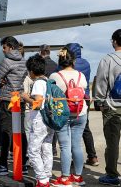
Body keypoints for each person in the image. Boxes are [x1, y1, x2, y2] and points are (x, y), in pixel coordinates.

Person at [0, 36, 28, 175]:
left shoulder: (7, 61)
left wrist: (1, 81)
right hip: (20, 99)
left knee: (6, 131)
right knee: (21, 132)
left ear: (10, 47)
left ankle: (3, 164)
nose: (3, 50)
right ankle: (22, 164)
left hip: (7, 99)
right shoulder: (24, 61)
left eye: (4, 47)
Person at [49, 47, 87, 186]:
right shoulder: (81, 76)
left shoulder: (54, 76)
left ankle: (65, 178)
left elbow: (51, 96)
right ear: (74, 60)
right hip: (80, 113)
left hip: (63, 114)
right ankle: (78, 177)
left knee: (65, 146)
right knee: (76, 145)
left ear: (60, 60)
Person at [22, 54, 54, 187]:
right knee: (47, 147)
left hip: (40, 119)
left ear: (32, 71)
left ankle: (42, 179)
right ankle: (47, 175)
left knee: (33, 150)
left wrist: (25, 97)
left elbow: (37, 103)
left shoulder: (38, 83)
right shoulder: (49, 81)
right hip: (50, 119)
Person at [65, 43, 99, 166]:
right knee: (85, 128)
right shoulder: (86, 63)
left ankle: (75, 159)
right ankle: (93, 156)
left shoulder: (69, 64)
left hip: (71, 99)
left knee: (71, 130)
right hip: (85, 98)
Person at [95, 29, 121, 186]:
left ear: (115, 41)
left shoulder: (107, 60)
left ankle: (112, 175)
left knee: (112, 142)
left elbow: (101, 83)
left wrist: (99, 102)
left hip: (113, 106)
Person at [39, 44, 59, 156]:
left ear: (41, 52)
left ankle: (45, 148)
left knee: (43, 123)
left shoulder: (41, 65)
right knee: (53, 123)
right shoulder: (56, 65)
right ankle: (53, 148)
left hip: (43, 97)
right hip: (54, 96)